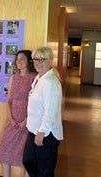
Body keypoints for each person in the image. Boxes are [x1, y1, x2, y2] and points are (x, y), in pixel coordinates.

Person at [22, 47, 63, 177]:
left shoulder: (50, 82)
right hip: (34, 129)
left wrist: (42, 132)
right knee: (28, 160)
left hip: (47, 134)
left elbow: (50, 111)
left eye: (42, 59)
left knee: (44, 171)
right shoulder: (39, 78)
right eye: (35, 59)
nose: (38, 63)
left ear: (50, 61)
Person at [0, 50, 36, 177]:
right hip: (13, 122)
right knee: (3, 150)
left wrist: (27, 120)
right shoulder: (13, 78)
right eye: (17, 59)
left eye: (22, 59)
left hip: (28, 123)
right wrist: (11, 119)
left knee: (26, 156)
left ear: (29, 61)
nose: (18, 62)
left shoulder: (34, 78)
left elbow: (36, 104)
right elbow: (8, 101)